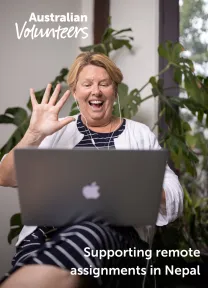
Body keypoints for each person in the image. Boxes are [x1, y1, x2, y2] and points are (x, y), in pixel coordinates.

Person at [0, 52, 183, 288]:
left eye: (104, 84)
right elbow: (5, 176)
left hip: (116, 241)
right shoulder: (56, 132)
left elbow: (174, 198)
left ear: (115, 91)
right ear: (75, 92)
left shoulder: (140, 134)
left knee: (88, 234)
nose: (95, 91)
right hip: (45, 237)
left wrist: (132, 184)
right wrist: (35, 134)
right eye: (87, 84)